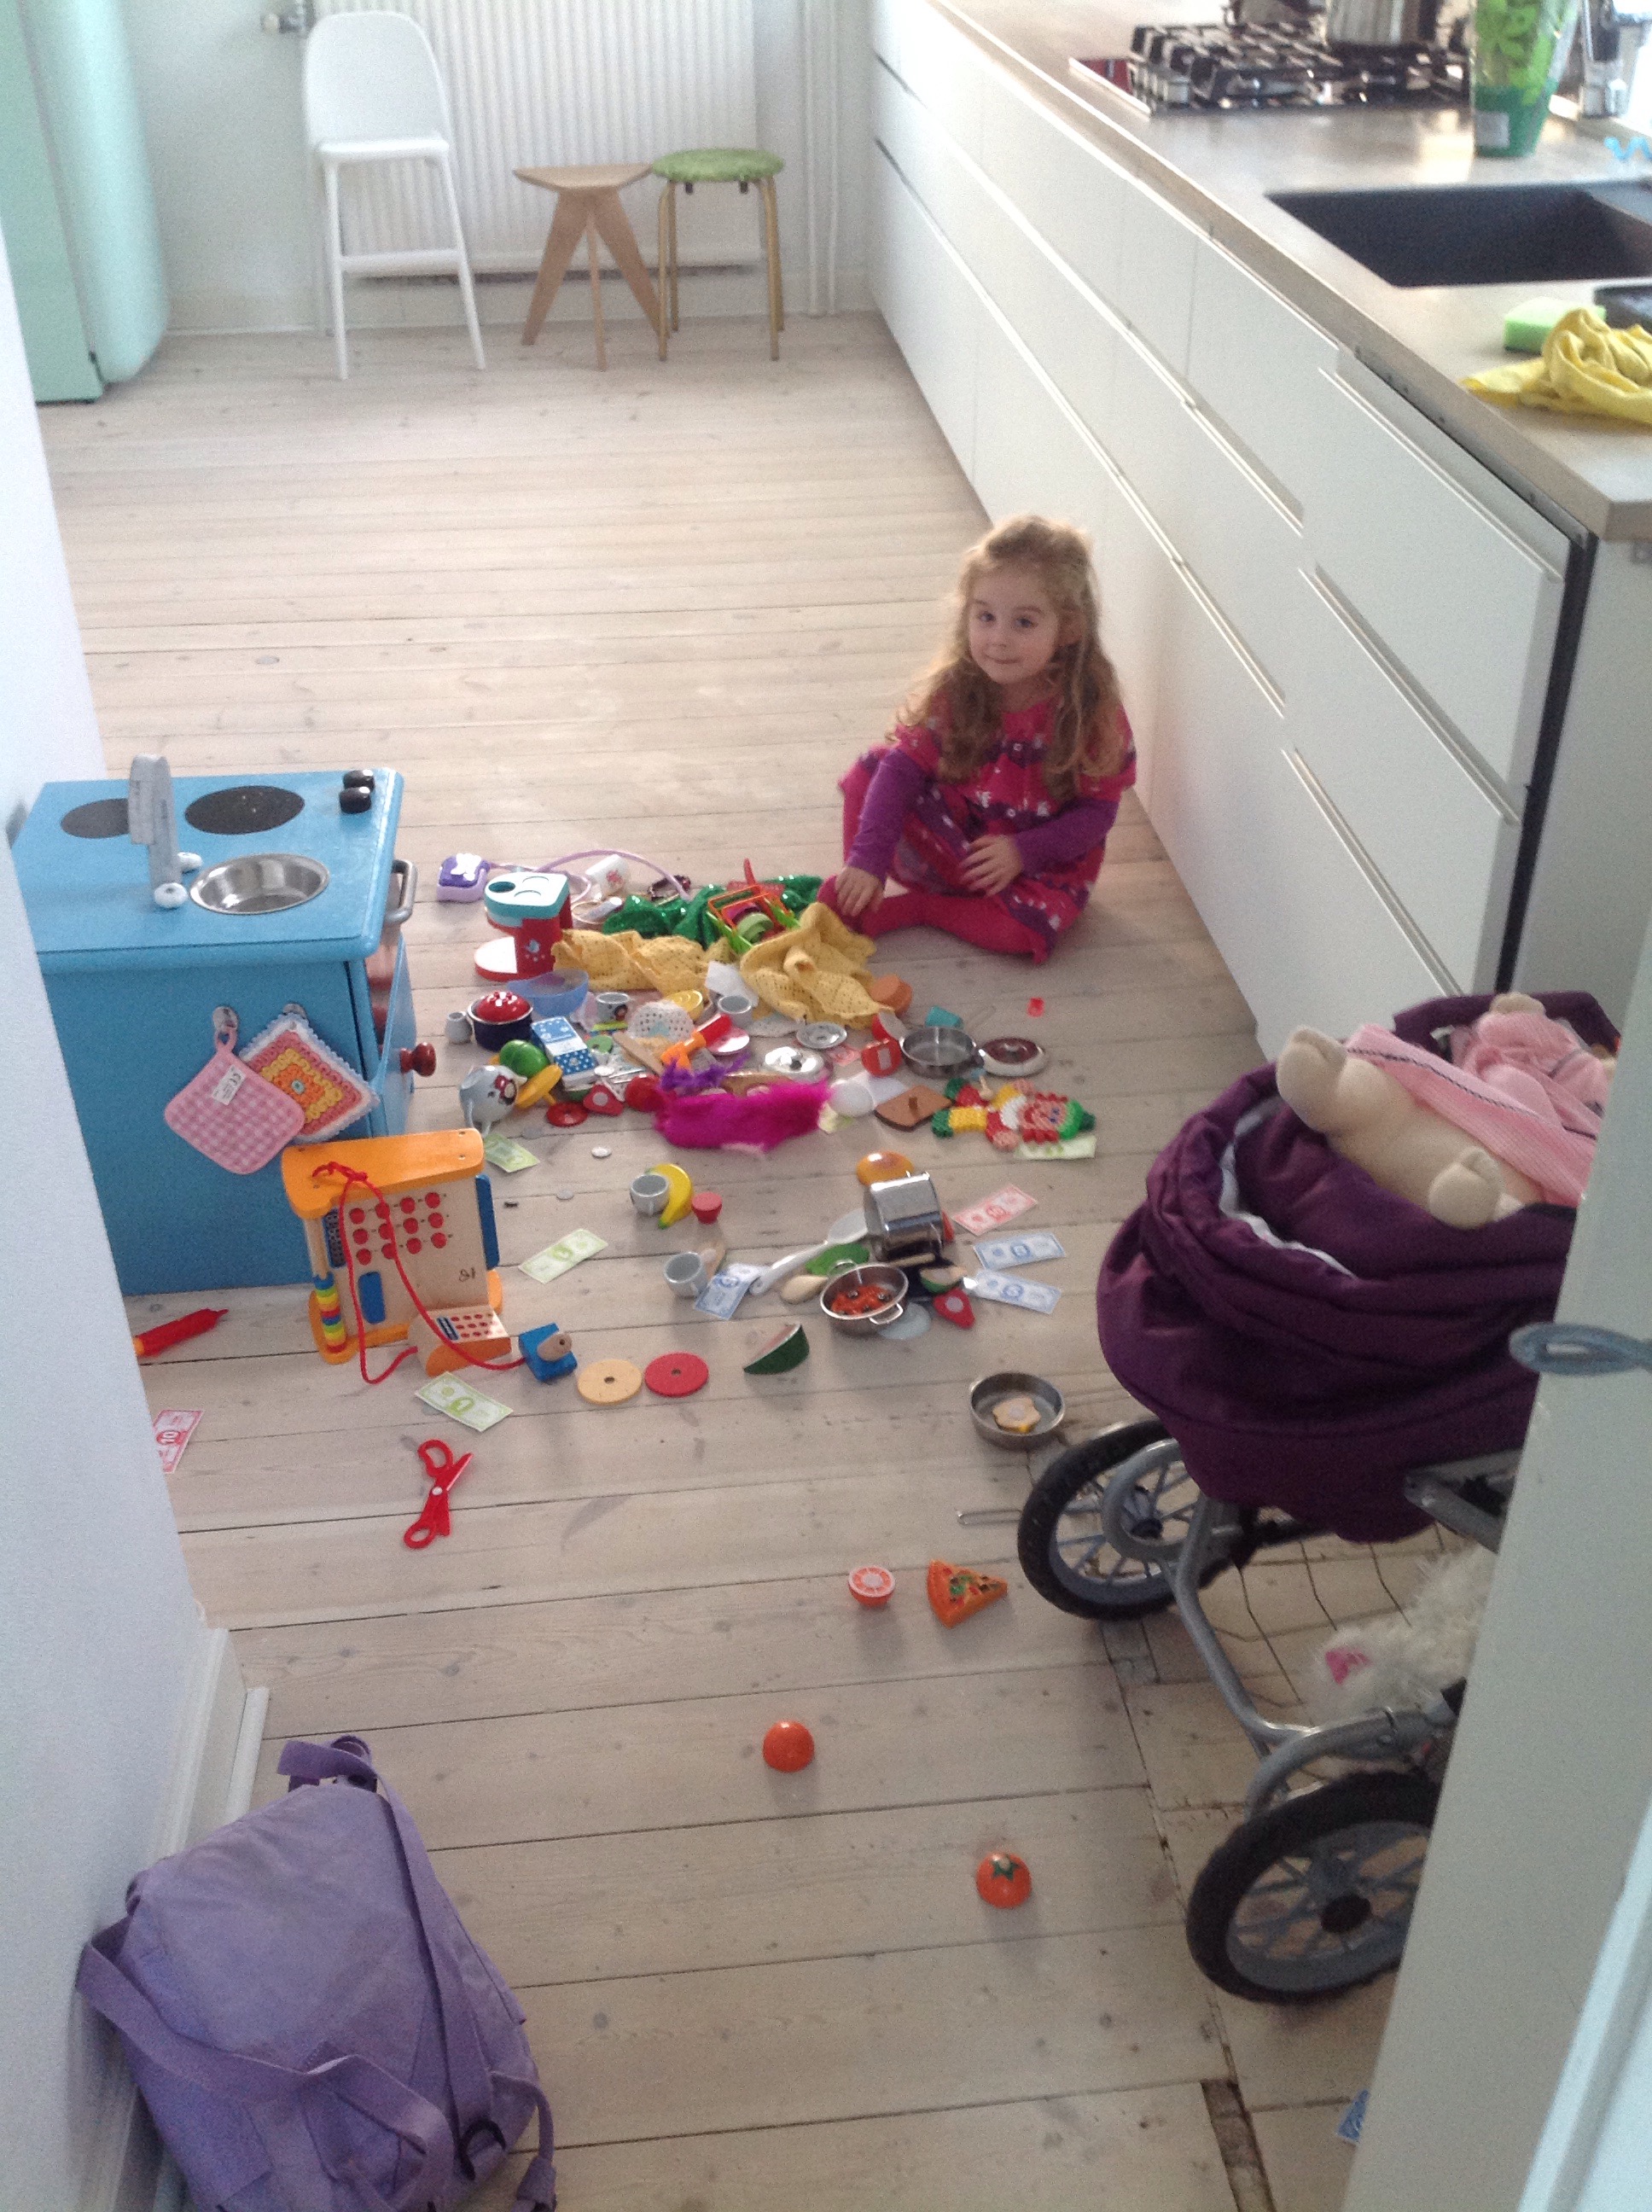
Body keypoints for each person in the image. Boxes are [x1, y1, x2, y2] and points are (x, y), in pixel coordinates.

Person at [821, 515, 1135, 963]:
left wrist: (1023, 852)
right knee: (873, 770)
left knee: (1024, 931)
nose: (998, 640)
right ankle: (862, 892)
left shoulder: (1090, 712)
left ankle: (923, 909)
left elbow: (1098, 812)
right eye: (985, 617)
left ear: (1068, 628)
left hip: (1033, 864)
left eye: (1023, 623)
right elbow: (902, 769)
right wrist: (867, 860)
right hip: (956, 843)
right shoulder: (957, 689)